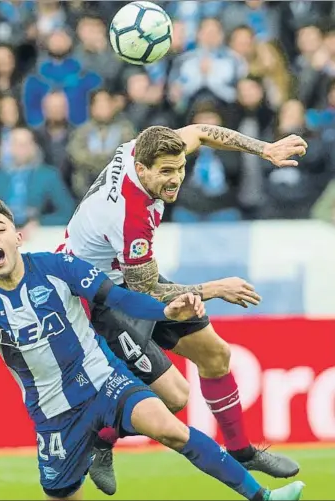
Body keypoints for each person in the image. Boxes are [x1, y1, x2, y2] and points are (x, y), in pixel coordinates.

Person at [0, 198, 305, 501]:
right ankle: (97, 445)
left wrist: (165, 309)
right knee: (63, 493)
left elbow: (118, 298)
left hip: (105, 382)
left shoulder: (58, 267)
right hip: (54, 416)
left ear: (18, 237)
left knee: (172, 430)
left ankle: (264, 495)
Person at [57, 123, 308, 494]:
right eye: (166, 173)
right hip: (97, 294)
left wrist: (265, 149)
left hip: (126, 275)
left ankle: (241, 450)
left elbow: (202, 131)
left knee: (216, 355)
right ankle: (101, 437)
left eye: (180, 169)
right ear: (141, 170)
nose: (175, 180)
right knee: (174, 397)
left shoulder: (144, 148)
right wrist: (214, 289)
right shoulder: (129, 216)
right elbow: (146, 291)